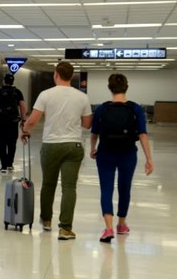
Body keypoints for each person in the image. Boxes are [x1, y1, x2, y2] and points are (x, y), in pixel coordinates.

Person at [20, 62, 92, 240]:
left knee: (48, 184)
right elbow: (87, 124)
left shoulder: (46, 95)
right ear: (72, 76)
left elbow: (33, 120)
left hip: (51, 145)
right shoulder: (82, 97)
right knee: (69, 187)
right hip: (73, 146)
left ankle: (46, 221)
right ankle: (65, 228)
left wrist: (25, 132)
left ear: (56, 74)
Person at [89, 73, 154, 243]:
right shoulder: (135, 108)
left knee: (106, 189)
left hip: (105, 154)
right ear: (126, 87)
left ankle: (108, 228)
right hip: (128, 154)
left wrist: (92, 148)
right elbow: (143, 134)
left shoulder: (102, 108)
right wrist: (149, 159)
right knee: (124, 189)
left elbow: (94, 132)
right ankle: (121, 224)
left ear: (110, 88)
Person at [0, 73, 27, 173]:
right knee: (12, 143)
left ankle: (3, 166)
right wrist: (23, 120)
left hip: (0, 121)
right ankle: (10, 164)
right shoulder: (17, 92)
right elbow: (22, 106)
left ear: (4, 81)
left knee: (1, 144)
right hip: (13, 122)